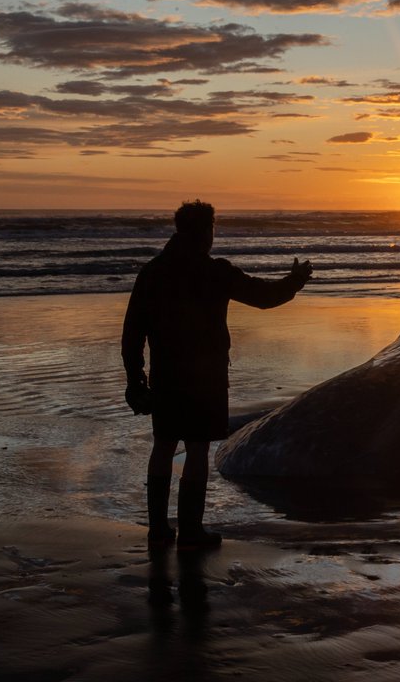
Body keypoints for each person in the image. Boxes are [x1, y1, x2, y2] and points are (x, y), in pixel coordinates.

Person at [122, 200, 311, 551]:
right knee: (196, 449)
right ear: (207, 232)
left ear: (179, 229)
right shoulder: (215, 272)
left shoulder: (152, 272)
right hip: (206, 377)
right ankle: (191, 531)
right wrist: (295, 281)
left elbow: (132, 333)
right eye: (212, 229)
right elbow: (263, 296)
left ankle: (159, 529)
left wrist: (136, 379)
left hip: (166, 375)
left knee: (163, 446)